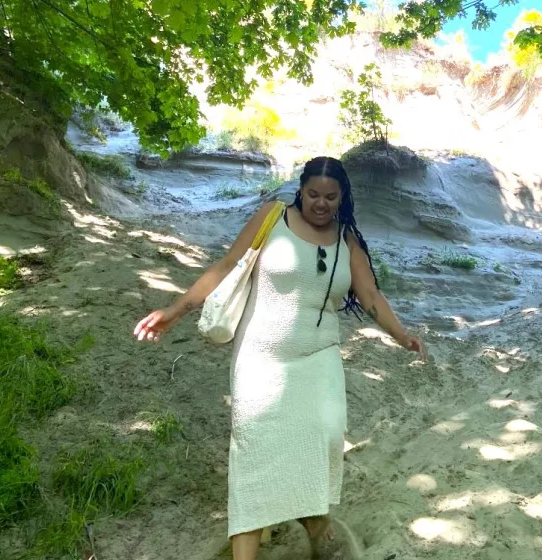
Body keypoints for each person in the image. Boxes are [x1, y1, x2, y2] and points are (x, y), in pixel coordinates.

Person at [134, 156, 426, 559]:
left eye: (330, 197)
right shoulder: (273, 218)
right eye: (312, 194)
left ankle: (316, 527)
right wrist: (174, 311)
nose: (320, 204)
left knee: (321, 443)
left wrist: (401, 334)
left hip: (320, 360)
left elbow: (371, 297)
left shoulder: (347, 239)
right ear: (300, 190)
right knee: (254, 455)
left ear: (342, 198)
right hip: (261, 359)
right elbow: (225, 266)